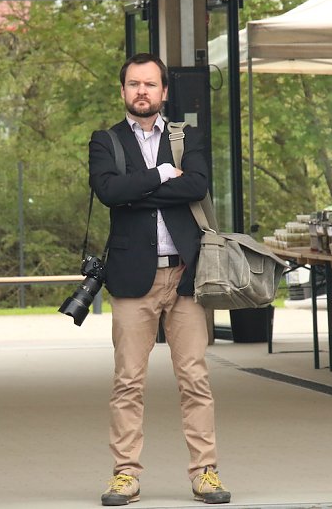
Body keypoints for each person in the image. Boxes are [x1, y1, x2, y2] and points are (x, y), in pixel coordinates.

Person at [88, 53, 230, 506]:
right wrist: (164, 175)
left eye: (150, 84)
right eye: (134, 84)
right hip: (133, 278)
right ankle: (124, 474)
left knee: (194, 378)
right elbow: (109, 192)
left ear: (164, 92)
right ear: (123, 90)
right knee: (128, 380)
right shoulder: (105, 140)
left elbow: (197, 188)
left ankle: (205, 472)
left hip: (186, 274)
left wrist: (140, 188)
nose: (142, 92)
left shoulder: (188, 136)